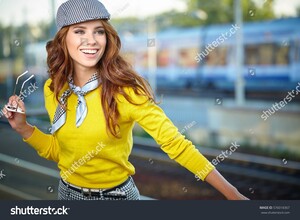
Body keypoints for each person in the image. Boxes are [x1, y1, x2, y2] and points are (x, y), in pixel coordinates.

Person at [3, 0, 248, 200]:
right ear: (63, 40)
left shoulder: (126, 91)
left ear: (107, 37)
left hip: (117, 197)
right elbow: (63, 153)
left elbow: (177, 145)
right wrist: (24, 128)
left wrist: (232, 194)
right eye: (80, 31)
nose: (92, 40)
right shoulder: (53, 88)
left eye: (98, 31)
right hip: (67, 195)